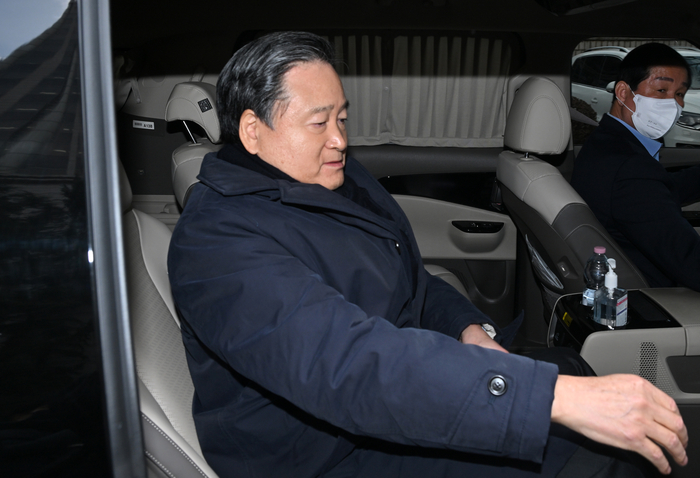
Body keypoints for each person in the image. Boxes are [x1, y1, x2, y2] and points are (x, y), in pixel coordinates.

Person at [168, 32, 688, 477]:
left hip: (378, 399)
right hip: (322, 451)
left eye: (343, 119)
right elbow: (348, 365)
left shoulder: (329, 177)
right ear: (253, 130)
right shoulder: (218, 241)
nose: (340, 140)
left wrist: (467, 328)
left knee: (573, 366)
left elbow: (409, 276)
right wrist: (553, 400)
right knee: (597, 450)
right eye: (319, 122)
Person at [571, 42, 700, 290]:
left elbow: (657, 192)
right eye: (661, 90)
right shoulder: (631, 168)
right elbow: (690, 262)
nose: (673, 104)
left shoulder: (606, 143)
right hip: (656, 296)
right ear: (623, 93)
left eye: (680, 94)